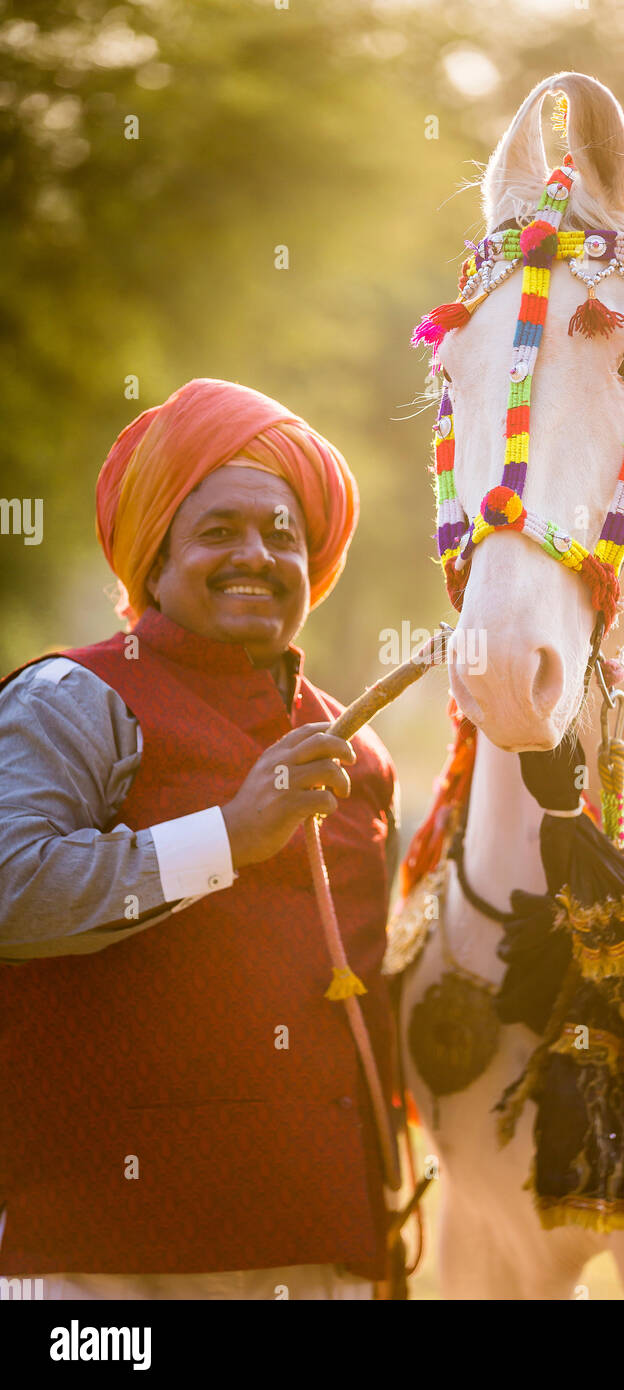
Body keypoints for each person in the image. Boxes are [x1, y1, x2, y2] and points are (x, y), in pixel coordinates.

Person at [0, 377, 402, 1300]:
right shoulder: (74, 699)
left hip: (315, 1254)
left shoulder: (361, 749)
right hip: (100, 1268)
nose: (255, 555)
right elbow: (11, 890)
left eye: (283, 536)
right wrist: (229, 835)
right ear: (153, 560)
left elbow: (375, 993)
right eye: (219, 532)